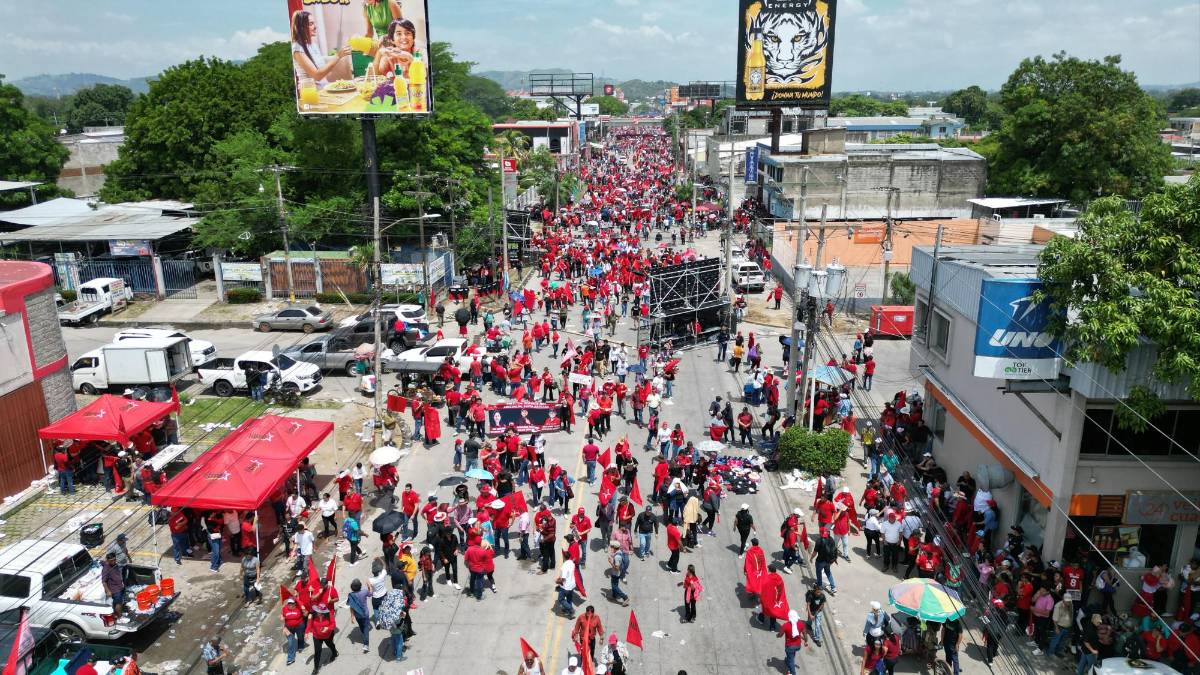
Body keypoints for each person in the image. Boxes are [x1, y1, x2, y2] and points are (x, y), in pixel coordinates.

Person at [778, 610, 810, 675]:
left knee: (791, 661)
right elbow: (805, 634)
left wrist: (777, 635)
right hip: (798, 646)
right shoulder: (801, 623)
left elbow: (780, 635)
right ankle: (787, 660)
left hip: (789, 646)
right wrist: (806, 641)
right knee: (791, 655)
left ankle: (792, 673)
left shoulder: (786, 625)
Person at [309, 603, 338, 673]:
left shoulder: (329, 615)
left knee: (330, 644)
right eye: (318, 611)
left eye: (321, 612)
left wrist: (327, 628)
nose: (318, 613)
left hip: (327, 635)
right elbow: (310, 624)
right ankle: (316, 668)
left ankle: (334, 652)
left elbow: (333, 625)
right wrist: (309, 631)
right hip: (317, 636)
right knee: (317, 651)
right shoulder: (314, 615)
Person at [348, 579, 371, 654]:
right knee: (366, 628)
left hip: (357, 615)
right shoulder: (364, 592)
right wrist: (369, 586)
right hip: (365, 614)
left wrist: (352, 617)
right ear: (360, 586)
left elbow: (351, 607)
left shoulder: (351, 595)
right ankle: (366, 644)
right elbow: (371, 594)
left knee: (361, 626)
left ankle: (364, 636)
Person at [607, 541, 630, 606]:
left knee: (614, 587)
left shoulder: (617, 557)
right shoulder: (619, 552)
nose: (611, 548)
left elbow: (617, 568)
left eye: (612, 547)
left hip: (616, 573)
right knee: (614, 585)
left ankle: (625, 597)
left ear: (614, 547)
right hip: (616, 573)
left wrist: (610, 562)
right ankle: (614, 596)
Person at [102, 552, 125, 617]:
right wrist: (108, 591)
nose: (114, 561)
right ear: (108, 560)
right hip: (115, 589)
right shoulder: (106, 569)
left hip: (120, 586)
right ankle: (119, 616)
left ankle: (116, 614)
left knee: (118, 602)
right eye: (112, 560)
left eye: (115, 560)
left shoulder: (114, 565)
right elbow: (104, 581)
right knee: (118, 603)